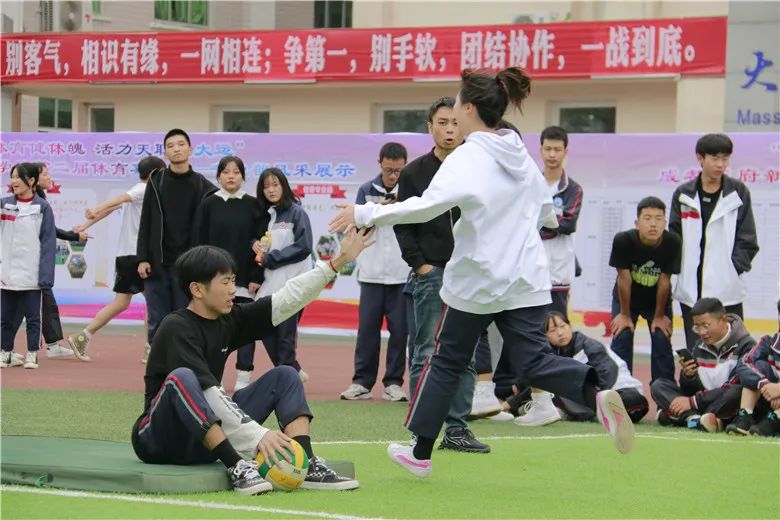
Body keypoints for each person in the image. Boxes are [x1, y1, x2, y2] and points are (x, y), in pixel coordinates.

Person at [330, 66, 635, 477]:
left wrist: (364, 210)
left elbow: (425, 205)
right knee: (533, 362)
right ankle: (596, 390)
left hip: (478, 279)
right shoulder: (518, 152)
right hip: (525, 279)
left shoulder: (469, 157)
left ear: (469, 108)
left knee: (446, 360)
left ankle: (420, 452)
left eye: (457, 102)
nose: (453, 108)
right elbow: (547, 214)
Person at [132, 229, 371, 493]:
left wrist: (336, 263)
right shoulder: (175, 327)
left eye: (234, 280)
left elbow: (286, 300)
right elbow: (208, 390)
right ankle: (236, 466)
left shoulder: (229, 319)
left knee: (285, 375)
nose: (233, 289)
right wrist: (260, 435)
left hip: (203, 443)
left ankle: (307, 464)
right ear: (197, 289)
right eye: (225, 282)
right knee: (185, 377)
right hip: (159, 440)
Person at [391, 96, 491, 454]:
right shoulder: (414, 172)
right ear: (429, 127)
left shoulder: (479, 167)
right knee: (424, 351)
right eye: (442, 123)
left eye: (454, 123)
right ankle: (422, 429)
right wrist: (419, 263)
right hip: (431, 271)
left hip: (469, 273)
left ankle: (458, 429)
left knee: (465, 352)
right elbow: (403, 222)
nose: (449, 130)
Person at [67, 156, 166, 361]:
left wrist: (86, 225)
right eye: (164, 172)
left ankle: (83, 336)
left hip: (127, 256)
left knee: (123, 303)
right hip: (139, 256)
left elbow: (112, 209)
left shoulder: (142, 191)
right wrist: (95, 209)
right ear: (155, 173)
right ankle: (151, 348)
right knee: (154, 303)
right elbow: (117, 200)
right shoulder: (144, 189)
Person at [669, 133, 759, 350]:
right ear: (700, 158)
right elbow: (674, 237)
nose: (721, 165)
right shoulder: (684, 195)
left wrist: (732, 269)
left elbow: (748, 239)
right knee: (698, 350)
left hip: (727, 292)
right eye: (715, 158)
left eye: (725, 159)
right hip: (692, 292)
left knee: (734, 351)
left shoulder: (737, 193)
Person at [136, 129, 217, 362]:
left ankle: (185, 361)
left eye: (181, 144)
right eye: (171, 145)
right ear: (165, 152)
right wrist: (142, 257)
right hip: (157, 262)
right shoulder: (156, 180)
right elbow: (146, 221)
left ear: (190, 150)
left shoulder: (203, 186)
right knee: (158, 319)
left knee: (186, 316)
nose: (176, 149)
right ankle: (157, 362)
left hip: (189, 266)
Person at [341, 142, 409, 402]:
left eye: (398, 170)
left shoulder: (412, 190)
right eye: (389, 169)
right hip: (370, 274)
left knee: (400, 331)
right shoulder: (366, 191)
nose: (393, 175)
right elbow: (359, 227)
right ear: (379, 163)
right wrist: (377, 208)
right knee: (367, 330)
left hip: (401, 274)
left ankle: (393, 383)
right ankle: (361, 382)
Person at [192, 156, 263, 391]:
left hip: (244, 280)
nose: (231, 176)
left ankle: (243, 378)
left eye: (236, 172)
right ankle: (215, 377)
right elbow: (199, 242)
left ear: (243, 176)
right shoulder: (208, 203)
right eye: (225, 172)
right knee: (214, 329)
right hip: (214, 279)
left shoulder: (254, 205)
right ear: (218, 176)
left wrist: (256, 276)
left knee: (246, 327)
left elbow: (262, 244)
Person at [10, 163, 89, 360]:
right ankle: (9, 349)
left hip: (36, 264)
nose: (50, 177)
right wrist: (73, 236)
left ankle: (50, 345)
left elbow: (48, 230)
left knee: (43, 302)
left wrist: (72, 235)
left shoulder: (39, 201)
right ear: (34, 179)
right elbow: (49, 231)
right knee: (19, 306)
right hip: (24, 264)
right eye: (46, 174)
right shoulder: (25, 202)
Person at [650, 297, 755, 432]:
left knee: (737, 391)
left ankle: (681, 418)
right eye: (697, 327)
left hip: (723, 403)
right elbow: (689, 390)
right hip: (703, 403)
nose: (702, 332)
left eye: (706, 325)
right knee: (659, 385)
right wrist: (689, 376)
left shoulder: (747, 346)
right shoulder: (700, 346)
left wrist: (692, 402)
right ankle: (696, 420)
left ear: (723, 320)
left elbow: (732, 386)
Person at [609, 196, 681, 383]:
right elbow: (624, 279)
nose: (653, 224)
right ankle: (622, 390)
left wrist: (658, 316)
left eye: (658, 219)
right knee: (622, 336)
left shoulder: (672, 242)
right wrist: (624, 314)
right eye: (647, 218)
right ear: (637, 223)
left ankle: (664, 397)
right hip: (627, 300)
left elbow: (665, 281)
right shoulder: (623, 240)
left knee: (661, 339)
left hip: (656, 301)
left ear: (665, 222)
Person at [251, 167, 313, 383]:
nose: (271, 190)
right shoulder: (265, 215)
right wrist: (255, 244)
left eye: (275, 184)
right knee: (264, 328)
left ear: (284, 186)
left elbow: (304, 246)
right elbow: (258, 241)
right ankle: (291, 369)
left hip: (294, 283)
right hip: (271, 282)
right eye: (266, 186)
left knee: (286, 335)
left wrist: (270, 258)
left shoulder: (297, 212)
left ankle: (288, 379)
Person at [543, 311, 649, 424]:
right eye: (552, 330)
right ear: (546, 336)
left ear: (570, 326)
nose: (560, 333)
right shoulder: (557, 354)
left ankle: (588, 412)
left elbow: (608, 374)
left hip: (625, 395)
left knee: (571, 380)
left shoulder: (589, 346)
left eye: (563, 326)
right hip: (603, 400)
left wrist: (604, 401)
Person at [0, 163, 56, 369]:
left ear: (31, 181)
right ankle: (5, 352)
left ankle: (32, 353)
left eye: (18, 177)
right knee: (5, 317)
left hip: (32, 273)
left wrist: (46, 275)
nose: (13, 181)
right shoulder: (3, 205)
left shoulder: (42, 207)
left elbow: (49, 243)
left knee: (33, 318)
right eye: (12, 177)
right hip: (6, 273)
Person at [538, 126, 583, 318]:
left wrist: (539, 223)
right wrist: (552, 223)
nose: (552, 154)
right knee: (531, 327)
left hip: (559, 271)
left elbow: (568, 224)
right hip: (532, 269)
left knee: (557, 328)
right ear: (541, 150)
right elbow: (523, 222)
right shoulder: (531, 184)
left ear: (566, 152)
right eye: (547, 149)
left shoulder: (573, 189)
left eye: (557, 149)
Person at [727, 300, 780, 436]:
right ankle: (745, 416)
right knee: (758, 367)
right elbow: (745, 362)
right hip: (768, 400)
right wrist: (765, 384)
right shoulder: (768, 342)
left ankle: (775, 420)